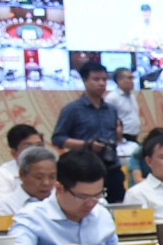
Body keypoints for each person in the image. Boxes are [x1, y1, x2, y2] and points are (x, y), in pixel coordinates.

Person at [6, 148, 119, 245]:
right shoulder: (31, 217)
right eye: (83, 197)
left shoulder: (102, 214)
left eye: (97, 195)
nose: (91, 204)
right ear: (59, 188)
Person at [51, 61, 126, 201]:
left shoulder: (111, 109)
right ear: (85, 80)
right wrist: (87, 145)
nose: (101, 83)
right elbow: (58, 139)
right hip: (84, 169)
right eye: (96, 79)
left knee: (119, 206)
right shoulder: (72, 109)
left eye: (104, 79)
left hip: (111, 168)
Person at [0, 146, 58, 216]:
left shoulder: (60, 202)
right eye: (39, 177)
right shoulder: (5, 206)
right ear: (22, 174)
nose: (46, 183)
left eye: (52, 177)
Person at [0, 124, 43, 202]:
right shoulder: (2, 175)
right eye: (28, 147)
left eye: (39, 145)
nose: (36, 151)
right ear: (14, 153)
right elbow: (2, 206)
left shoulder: (53, 170)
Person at [103, 68, 143, 158]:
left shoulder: (132, 96)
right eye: (129, 78)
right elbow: (108, 120)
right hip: (121, 137)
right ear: (119, 80)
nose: (132, 81)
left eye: (132, 78)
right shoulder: (112, 98)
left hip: (134, 136)